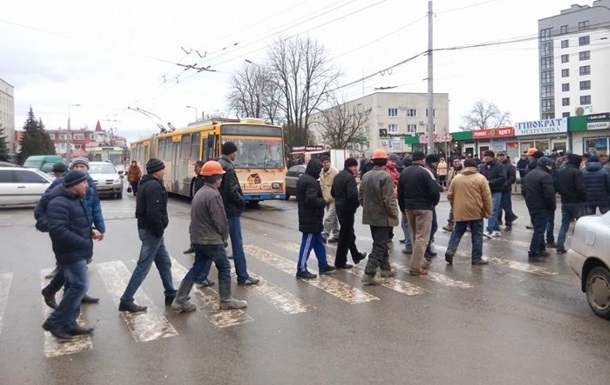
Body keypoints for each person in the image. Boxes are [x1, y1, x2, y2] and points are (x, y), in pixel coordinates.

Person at [171, 161, 247, 312]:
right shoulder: (213, 195)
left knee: (197, 268)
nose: (221, 179)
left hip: (198, 238)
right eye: (220, 176)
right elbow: (220, 220)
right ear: (216, 177)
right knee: (224, 266)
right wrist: (224, 238)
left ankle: (179, 300)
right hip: (211, 239)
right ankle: (226, 300)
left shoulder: (200, 192)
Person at [42, 170, 101, 340]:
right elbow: (58, 230)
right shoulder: (59, 202)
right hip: (70, 252)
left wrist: (90, 231)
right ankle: (55, 321)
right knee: (79, 286)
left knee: (72, 286)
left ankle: (69, 324)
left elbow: (77, 223)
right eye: (84, 182)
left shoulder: (74, 199)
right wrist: (82, 242)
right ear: (74, 184)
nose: (87, 185)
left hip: (77, 250)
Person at [194, 142, 260, 286]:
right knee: (237, 244)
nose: (236, 154)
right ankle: (243, 276)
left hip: (218, 208)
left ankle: (202, 275)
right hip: (230, 210)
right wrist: (242, 202)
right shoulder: (229, 167)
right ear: (231, 152)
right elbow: (232, 190)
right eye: (235, 152)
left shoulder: (218, 163)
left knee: (216, 243)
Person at [41, 157, 104, 306]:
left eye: (83, 166)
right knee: (75, 264)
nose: (80, 169)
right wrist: (52, 225)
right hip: (68, 229)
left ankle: (72, 293)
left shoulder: (89, 184)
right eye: (77, 166)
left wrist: (98, 227)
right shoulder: (62, 183)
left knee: (77, 264)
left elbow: (95, 207)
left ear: (87, 169)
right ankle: (68, 298)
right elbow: (42, 206)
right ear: (71, 168)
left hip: (84, 228)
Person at [119, 159, 177, 313]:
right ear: (156, 171)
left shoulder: (146, 183)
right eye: (162, 170)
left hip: (150, 230)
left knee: (164, 262)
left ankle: (171, 293)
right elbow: (153, 213)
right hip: (152, 232)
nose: (164, 172)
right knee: (143, 267)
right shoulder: (153, 186)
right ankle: (126, 299)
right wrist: (159, 230)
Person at [359, 149, 399, 284]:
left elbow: (361, 196)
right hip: (383, 217)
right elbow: (389, 199)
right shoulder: (386, 176)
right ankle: (369, 274)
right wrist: (394, 213)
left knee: (379, 242)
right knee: (380, 245)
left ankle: (385, 268)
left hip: (370, 215)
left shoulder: (365, 176)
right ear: (386, 161)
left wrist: (368, 208)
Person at [398, 151, 440, 276]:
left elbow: (400, 192)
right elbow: (434, 191)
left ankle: (422, 260)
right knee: (422, 237)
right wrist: (433, 204)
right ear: (423, 160)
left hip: (409, 207)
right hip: (424, 207)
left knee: (415, 235)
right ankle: (415, 267)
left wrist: (402, 208)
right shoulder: (426, 172)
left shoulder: (404, 172)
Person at [445, 158, 492, 265]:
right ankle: (476, 258)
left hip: (460, 211)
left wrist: (455, 206)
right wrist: (488, 211)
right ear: (476, 167)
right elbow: (487, 197)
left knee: (457, 231)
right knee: (477, 235)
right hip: (476, 211)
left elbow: (450, 195)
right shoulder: (481, 178)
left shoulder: (456, 178)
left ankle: (450, 250)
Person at [295, 158, 336, 279]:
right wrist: (323, 201)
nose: (319, 172)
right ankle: (301, 268)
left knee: (318, 242)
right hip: (311, 217)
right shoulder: (311, 182)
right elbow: (311, 199)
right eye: (319, 169)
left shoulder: (303, 178)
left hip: (308, 216)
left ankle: (323, 265)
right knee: (307, 242)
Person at [331, 158, 367, 269]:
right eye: (354, 166)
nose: (356, 169)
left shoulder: (338, 176)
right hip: (347, 209)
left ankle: (356, 255)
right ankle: (340, 262)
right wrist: (355, 205)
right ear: (349, 167)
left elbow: (332, 192)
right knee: (345, 235)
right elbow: (352, 196)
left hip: (339, 207)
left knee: (348, 233)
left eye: (357, 166)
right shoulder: (350, 178)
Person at [522, 157, 556, 263]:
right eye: (550, 165)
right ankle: (533, 253)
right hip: (542, 206)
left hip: (532, 205)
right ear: (546, 165)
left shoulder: (529, 174)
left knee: (538, 228)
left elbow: (524, 191)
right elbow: (549, 195)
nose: (551, 167)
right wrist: (552, 207)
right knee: (539, 230)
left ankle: (541, 249)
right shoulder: (546, 176)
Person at [555, 154, 586, 254]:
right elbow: (581, 188)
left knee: (564, 225)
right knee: (582, 225)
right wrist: (584, 198)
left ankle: (560, 246)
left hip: (565, 201)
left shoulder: (561, 171)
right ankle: (583, 248)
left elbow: (558, 186)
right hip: (577, 202)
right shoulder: (577, 172)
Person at [478, 150, 506, 238]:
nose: (486, 158)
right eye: (484, 156)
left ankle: (488, 230)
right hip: (485, 192)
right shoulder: (482, 166)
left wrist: (490, 182)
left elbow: (502, 178)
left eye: (488, 156)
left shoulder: (499, 166)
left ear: (492, 157)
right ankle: (496, 230)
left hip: (496, 191)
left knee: (492, 211)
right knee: (489, 210)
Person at [183, 160, 206, 255]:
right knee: (192, 227)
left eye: (196, 167)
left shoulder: (205, 179)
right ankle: (193, 246)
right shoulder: (197, 178)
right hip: (196, 207)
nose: (194, 169)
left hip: (202, 208)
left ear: (201, 168)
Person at [320, 156, 340, 243]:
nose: (326, 164)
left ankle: (325, 235)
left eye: (327, 162)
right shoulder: (321, 172)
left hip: (334, 198)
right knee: (333, 218)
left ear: (330, 162)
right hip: (326, 198)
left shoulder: (335, 171)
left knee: (329, 217)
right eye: (324, 162)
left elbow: (338, 184)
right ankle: (337, 235)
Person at [496, 151, 518, 231]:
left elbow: (512, 178)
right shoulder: (497, 165)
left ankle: (508, 223)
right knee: (498, 207)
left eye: (503, 155)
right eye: (500, 155)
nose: (501, 157)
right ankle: (498, 221)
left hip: (506, 190)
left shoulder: (510, 166)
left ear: (506, 156)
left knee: (507, 208)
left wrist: (505, 184)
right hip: (497, 189)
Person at [442, 156, 463, 232]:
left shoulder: (464, 170)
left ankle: (468, 224)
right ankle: (450, 224)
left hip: (463, 192)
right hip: (454, 192)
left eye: (458, 161)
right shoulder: (451, 170)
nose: (456, 163)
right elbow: (448, 180)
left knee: (465, 209)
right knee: (453, 209)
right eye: (455, 162)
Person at [399, 156, 413, 254]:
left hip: (407, 204)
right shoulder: (420, 172)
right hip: (420, 205)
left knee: (406, 225)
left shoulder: (403, 175)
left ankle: (409, 245)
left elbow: (400, 193)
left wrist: (402, 208)